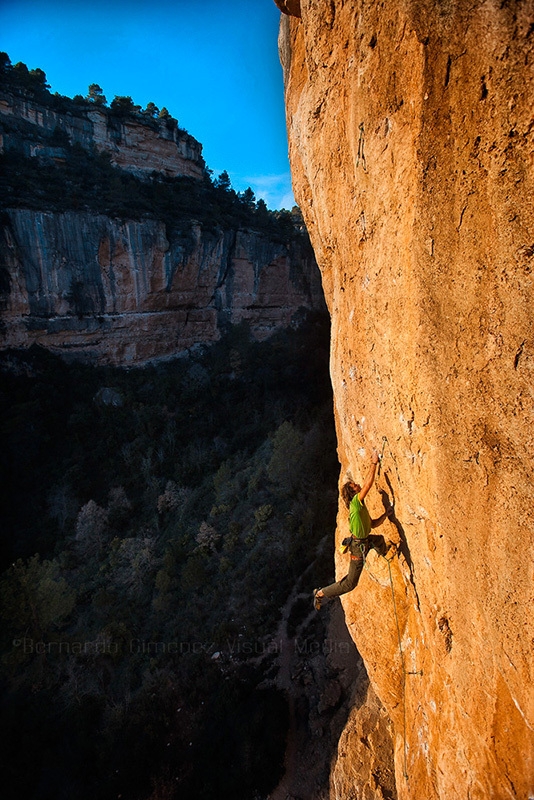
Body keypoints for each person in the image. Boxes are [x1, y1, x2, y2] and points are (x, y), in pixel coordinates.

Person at [313, 449, 392, 610]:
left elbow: (373, 524)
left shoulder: (360, 509)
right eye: (354, 486)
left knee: (380, 540)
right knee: (350, 583)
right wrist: (374, 462)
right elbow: (368, 484)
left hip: (366, 540)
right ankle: (320, 593)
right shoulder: (356, 503)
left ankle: (385, 553)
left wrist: (386, 514)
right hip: (358, 546)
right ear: (353, 492)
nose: (358, 485)